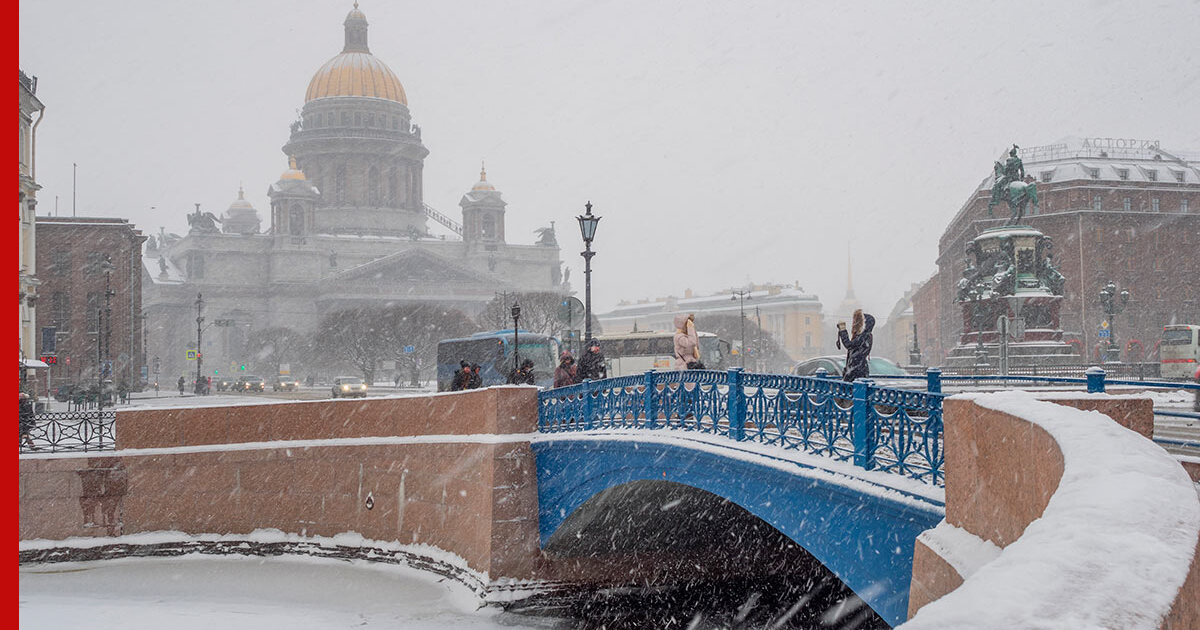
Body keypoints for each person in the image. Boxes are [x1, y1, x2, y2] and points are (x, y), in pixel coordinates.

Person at [836, 309, 875, 382]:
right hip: (857, 370)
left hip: (856, 371)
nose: (853, 324)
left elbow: (849, 345)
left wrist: (843, 330)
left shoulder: (864, 336)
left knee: (852, 391)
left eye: (855, 321)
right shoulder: (865, 336)